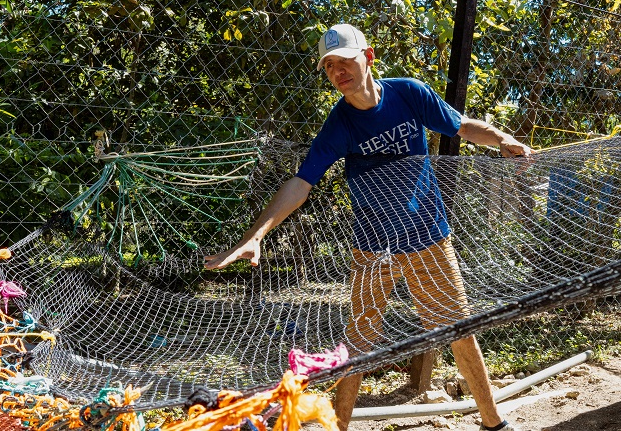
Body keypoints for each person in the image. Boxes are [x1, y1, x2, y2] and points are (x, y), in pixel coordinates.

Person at [204, 23, 530, 431]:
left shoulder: (409, 93)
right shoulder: (339, 124)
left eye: (345, 60)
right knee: (359, 344)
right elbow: (301, 183)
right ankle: (338, 427)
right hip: (373, 248)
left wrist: (502, 139)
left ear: (368, 57)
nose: (338, 71)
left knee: (460, 330)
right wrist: (255, 236)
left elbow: (461, 126)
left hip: (429, 237)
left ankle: (493, 423)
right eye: (329, 66)